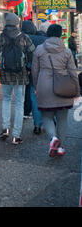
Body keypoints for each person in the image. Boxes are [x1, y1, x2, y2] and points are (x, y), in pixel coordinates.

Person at [32, 24, 80, 157]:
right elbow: (73, 72)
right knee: (62, 119)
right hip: (63, 87)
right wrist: (76, 91)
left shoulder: (39, 49)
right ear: (60, 34)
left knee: (46, 116)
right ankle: (60, 147)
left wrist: (36, 87)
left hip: (44, 85)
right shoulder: (66, 51)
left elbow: (35, 71)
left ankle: (53, 138)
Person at [0, 12, 35, 145]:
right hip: (20, 76)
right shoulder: (24, 37)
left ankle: (5, 128)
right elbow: (32, 53)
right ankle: (16, 135)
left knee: (6, 100)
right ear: (17, 24)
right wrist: (27, 67)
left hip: (5, 75)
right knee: (19, 104)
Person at [21, 20, 48, 135]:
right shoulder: (46, 40)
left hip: (33, 72)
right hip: (47, 73)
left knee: (34, 97)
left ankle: (37, 125)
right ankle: (53, 122)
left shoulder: (26, 39)